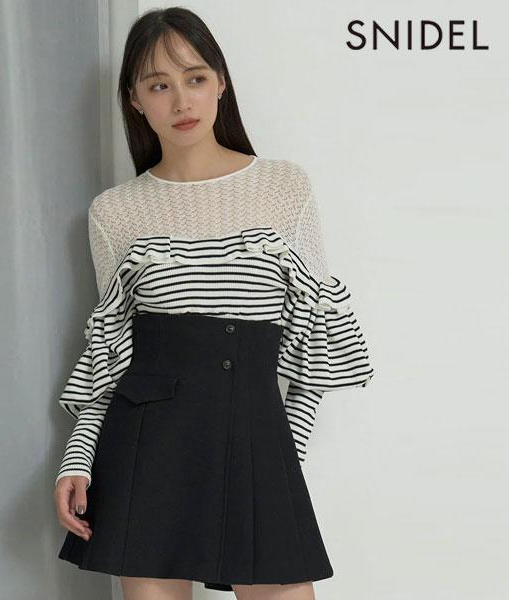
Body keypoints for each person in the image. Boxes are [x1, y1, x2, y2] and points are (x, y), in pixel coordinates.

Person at [53, 7, 375, 600]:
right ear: (135, 100)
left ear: (220, 83)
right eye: (159, 85)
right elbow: (108, 357)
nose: (181, 101)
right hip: (146, 448)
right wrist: (77, 460)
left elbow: (315, 345)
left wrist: (281, 460)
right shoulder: (115, 212)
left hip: (255, 439)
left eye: (195, 78)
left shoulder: (284, 187)